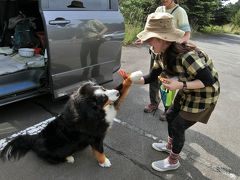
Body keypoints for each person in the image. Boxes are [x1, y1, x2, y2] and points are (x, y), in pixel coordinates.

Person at [130, 12, 220, 172]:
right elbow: (152, 76)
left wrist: (180, 84)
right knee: (170, 115)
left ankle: (173, 161)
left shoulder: (187, 56)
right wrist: (131, 80)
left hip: (203, 95)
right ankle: (169, 146)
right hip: (187, 89)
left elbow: (208, 80)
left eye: (150, 39)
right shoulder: (160, 52)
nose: (147, 42)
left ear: (163, 39)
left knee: (178, 125)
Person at [142, 0, 191, 121]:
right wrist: (145, 40)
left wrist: (175, 46)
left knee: (168, 83)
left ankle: (167, 109)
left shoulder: (180, 11)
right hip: (157, 51)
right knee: (153, 78)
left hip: (171, 53)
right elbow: (151, 30)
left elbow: (186, 35)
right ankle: (154, 103)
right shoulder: (159, 10)